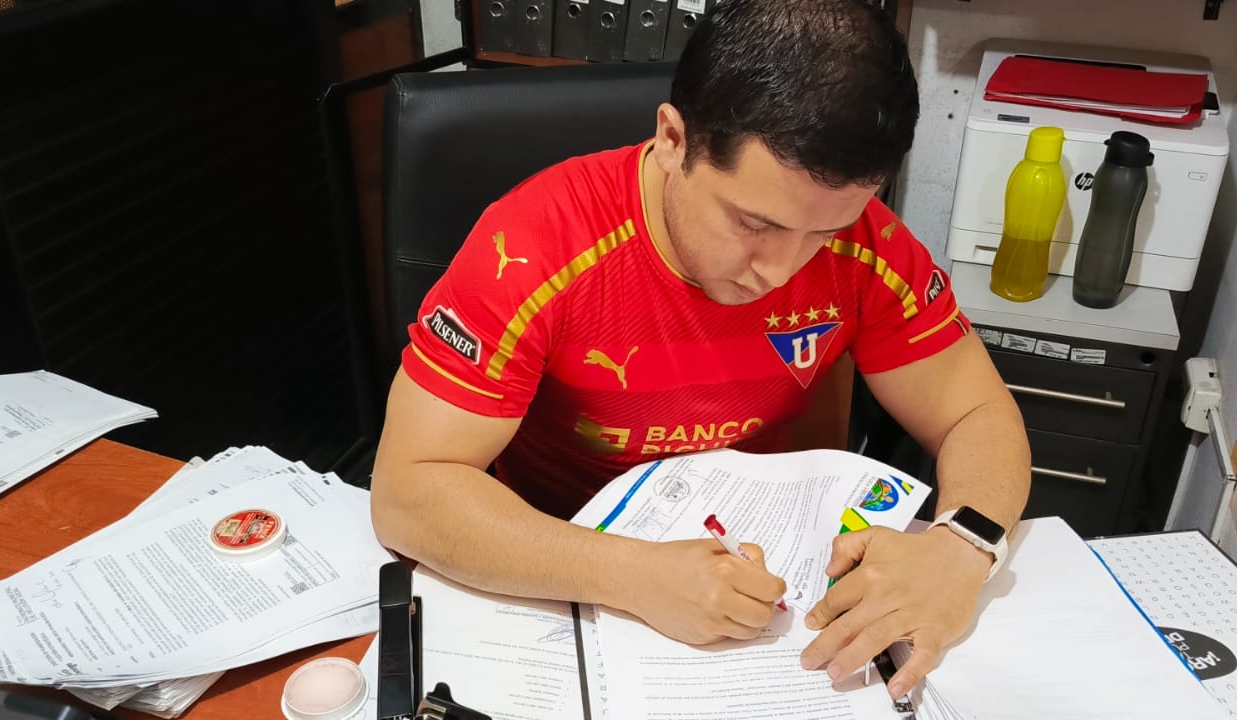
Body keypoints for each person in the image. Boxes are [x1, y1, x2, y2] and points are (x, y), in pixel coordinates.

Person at [369, 0, 1029, 700]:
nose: (780, 271)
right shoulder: (534, 246)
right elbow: (409, 493)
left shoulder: (869, 245)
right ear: (673, 139)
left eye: (823, 233)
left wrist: (964, 546)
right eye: (753, 223)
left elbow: (976, 413)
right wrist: (630, 574)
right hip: (558, 569)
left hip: (761, 575)